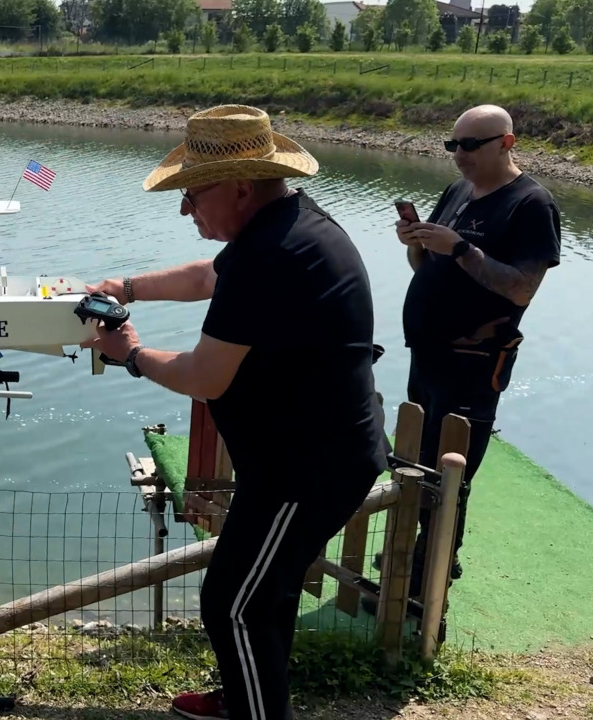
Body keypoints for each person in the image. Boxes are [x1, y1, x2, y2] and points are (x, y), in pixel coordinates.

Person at [84, 105, 387, 720]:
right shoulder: (290, 224)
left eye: (193, 194)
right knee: (264, 595)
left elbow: (205, 377)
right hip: (311, 456)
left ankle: (254, 709)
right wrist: (127, 287)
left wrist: (131, 353)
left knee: (233, 604)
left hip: (304, 469)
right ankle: (248, 697)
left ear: (241, 187)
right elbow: (207, 277)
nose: (185, 209)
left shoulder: (269, 254)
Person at [385, 104, 561, 597]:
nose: (459, 155)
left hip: (474, 362)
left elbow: (522, 288)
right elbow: (430, 269)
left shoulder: (532, 204)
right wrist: (416, 242)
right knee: (418, 459)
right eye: (453, 145)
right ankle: (421, 552)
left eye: (469, 145)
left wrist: (461, 248)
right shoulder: (458, 190)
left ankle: (436, 569)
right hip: (428, 353)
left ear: (506, 143)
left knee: (451, 470)